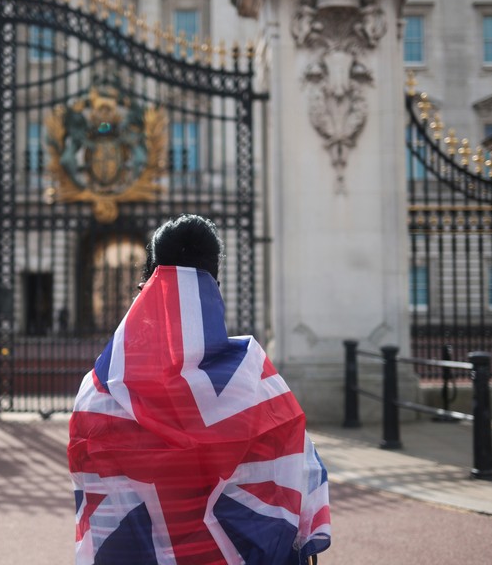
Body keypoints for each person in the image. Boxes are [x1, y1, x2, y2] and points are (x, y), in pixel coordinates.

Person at [68, 214, 331, 564]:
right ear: (213, 283)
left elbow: (90, 482)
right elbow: (296, 465)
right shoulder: (252, 377)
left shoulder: (98, 387)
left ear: (148, 280)